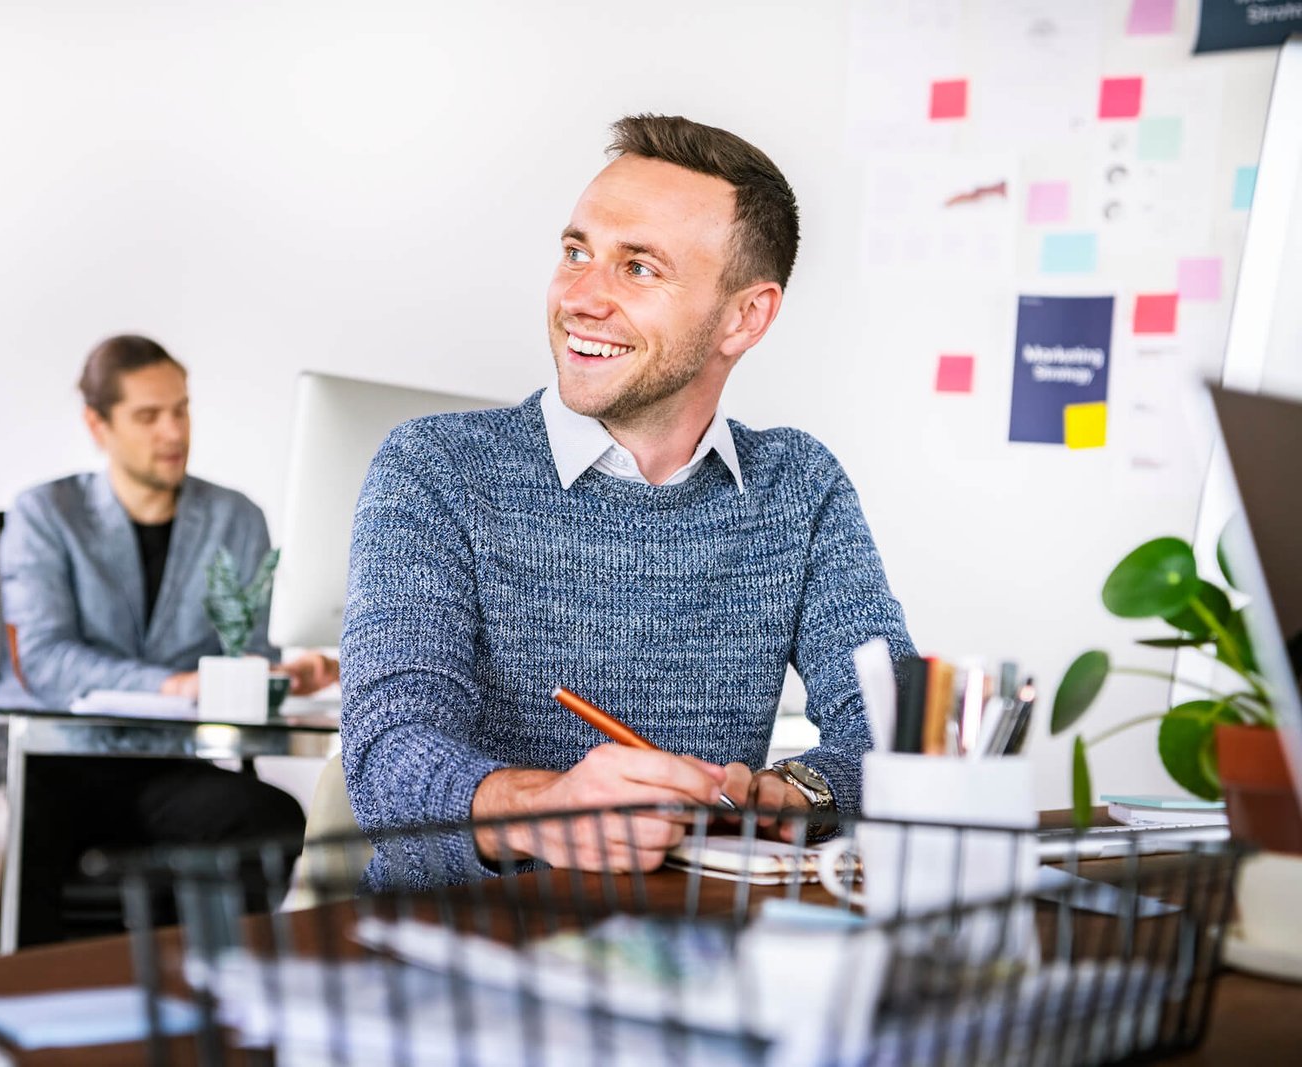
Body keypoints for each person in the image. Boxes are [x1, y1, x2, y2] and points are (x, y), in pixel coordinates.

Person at [340, 114, 915, 889]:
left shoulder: (798, 485)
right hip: (461, 954)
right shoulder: (436, 467)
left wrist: (798, 794)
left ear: (746, 316)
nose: (581, 296)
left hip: (694, 952)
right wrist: (550, 808)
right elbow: (388, 754)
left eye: (638, 268)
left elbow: (894, 729)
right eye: (577, 252)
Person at [0, 334, 331, 944]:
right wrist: (175, 684)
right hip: (38, 761)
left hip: (156, 764)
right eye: (148, 416)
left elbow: (243, 652)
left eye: (181, 409)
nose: (172, 431)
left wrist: (280, 672)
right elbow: (44, 660)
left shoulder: (235, 518)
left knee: (266, 820)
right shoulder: (46, 513)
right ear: (98, 426)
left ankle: (201, 1011)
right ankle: (27, 1013)